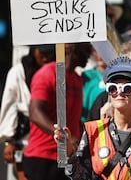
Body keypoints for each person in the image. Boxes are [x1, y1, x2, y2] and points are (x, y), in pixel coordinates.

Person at [23, 43, 92, 180]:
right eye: (87, 49)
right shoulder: (46, 73)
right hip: (43, 157)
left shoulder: (77, 79)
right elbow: (35, 113)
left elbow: (74, 117)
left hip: (67, 156)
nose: (89, 55)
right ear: (73, 48)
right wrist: (64, 136)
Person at [0, 45, 55, 180]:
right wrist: (9, 141)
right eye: (42, 52)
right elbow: (9, 104)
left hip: (48, 142)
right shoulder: (18, 72)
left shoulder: (55, 71)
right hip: (22, 142)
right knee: (23, 176)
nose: (45, 57)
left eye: (49, 53)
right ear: (33, 50)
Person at [81, 48, 106, 122]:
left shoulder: (118, 77)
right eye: (95, 51)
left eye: (104, 51)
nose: (100, 54)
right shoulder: (86, 75)